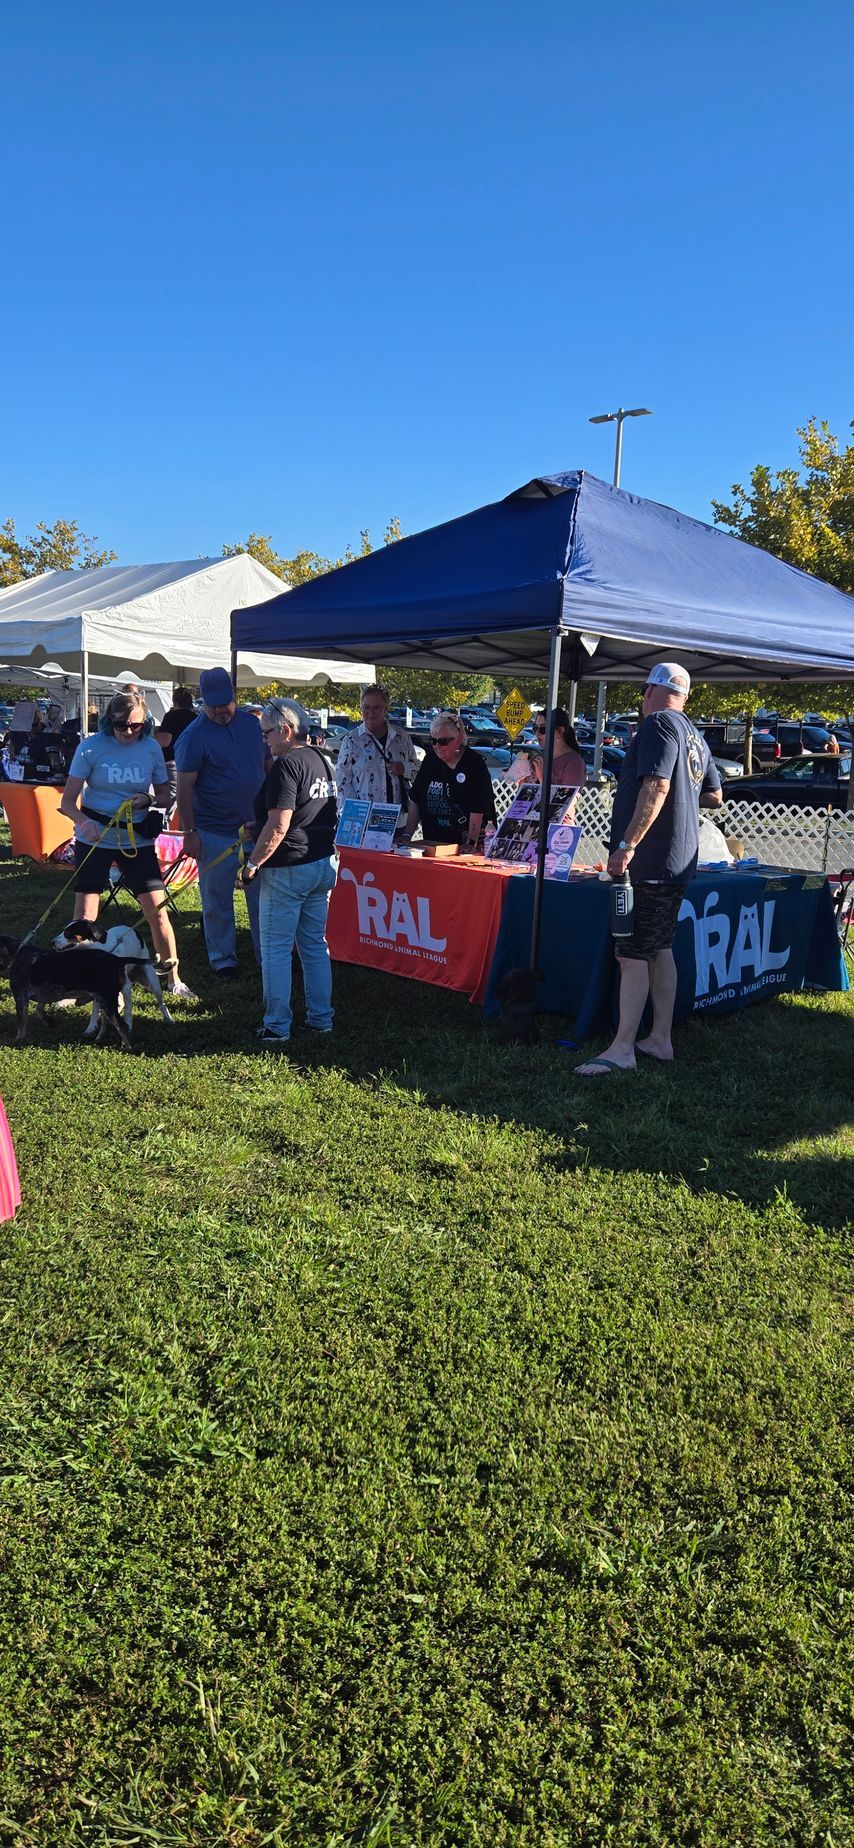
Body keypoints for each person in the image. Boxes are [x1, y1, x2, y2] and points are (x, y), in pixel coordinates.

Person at [577, 662, 722, 1077]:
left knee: (632, 953)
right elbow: (714, 795)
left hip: (652, 859)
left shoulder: (658, 723)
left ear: (649, 690)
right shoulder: (694, 734)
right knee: (660, 949)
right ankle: (660, 1038)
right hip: (678, 860)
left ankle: (623, 1048)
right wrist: (683, 791)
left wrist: (627, 845)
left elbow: (656, 784)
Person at [60, 691, 193, 996]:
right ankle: (80, 981)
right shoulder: (91, 747)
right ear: (109, 721)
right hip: (96, 836)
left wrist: (147, 799)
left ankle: (174, 979)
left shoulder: (149, 748)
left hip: (136, 838)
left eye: (136, 725)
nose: (129, 731)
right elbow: (67, 802)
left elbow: (164, 795)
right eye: (122, 725)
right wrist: (83, 822)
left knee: (157, 910)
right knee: (85, 913)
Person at [239, 698, 338, 1047]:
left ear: (286, 729)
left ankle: (277, 1025)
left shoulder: (287, 765)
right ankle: (321, 1019)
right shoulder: (322, 761)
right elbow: (305, 813)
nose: (264, 739)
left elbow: (280, 824)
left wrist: (253, 865)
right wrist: (260, 825)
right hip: (321, 862)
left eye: (267, 732)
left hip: (290, 867)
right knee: (313, 945)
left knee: (276, 948)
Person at [174, 668, 266, 980]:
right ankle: (223, 959)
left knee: (261, 896)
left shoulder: (253, 725)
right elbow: (184, 787)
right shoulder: (193, 736)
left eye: (225, 703)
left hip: (256, 829)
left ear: (234, 697)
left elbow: (268, 766)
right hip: (214, 830)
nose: (220, 710)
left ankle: (265, 955)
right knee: (216, 899)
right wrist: (190, 833)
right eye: (213, 705)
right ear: (203, 702)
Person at [403, 711, 496, 850]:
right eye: (433, 741)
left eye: (443, 741)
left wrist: (470, 843)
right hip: (433, 842)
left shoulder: (474, 764)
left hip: (463, 843)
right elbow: (416, 799)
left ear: (458, 739)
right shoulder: (430, 760)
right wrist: (406, 835)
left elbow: (478, 808)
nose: (436, 746)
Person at [334, 684, 419, 810]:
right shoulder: (352, 740)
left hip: (398, 818)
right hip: (365, 820)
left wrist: (403, 768)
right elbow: (342, 782)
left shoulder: (401, 737)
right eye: (366, 708)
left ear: (386, 709)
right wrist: (355, 811)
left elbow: (418, 771)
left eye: (376, 708)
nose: (370, 713)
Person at [154, 686, 196, 813]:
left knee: (172, 798)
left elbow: (164, 741)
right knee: (188, 797)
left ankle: (169, 827)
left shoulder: (171, 716)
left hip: (172, 761)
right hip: (193, 763)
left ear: (175, 702)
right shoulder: (196, 718)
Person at [533, 709, 587, 792]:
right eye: (535, 728)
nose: (537, 733)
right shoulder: (539, 759)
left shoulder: (574, 763)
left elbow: (565, 801)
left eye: (543, 728)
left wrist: (542, 777)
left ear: (560, 731)